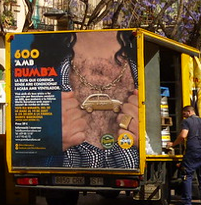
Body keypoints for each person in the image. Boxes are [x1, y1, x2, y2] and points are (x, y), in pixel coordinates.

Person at [54, 30, 139, 169]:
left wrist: (147, 137)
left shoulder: (143, 60)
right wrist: (48, 137)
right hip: (63, 164)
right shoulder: (40, 55)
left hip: (129, 159)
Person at [168, 105, 201, 205]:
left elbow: (183, 135)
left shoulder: (187, 122)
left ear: (189, 112)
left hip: (191, 153)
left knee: (187, 177)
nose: (184, 116)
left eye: (184, 114)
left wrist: (173, 144)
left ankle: (187, 204)